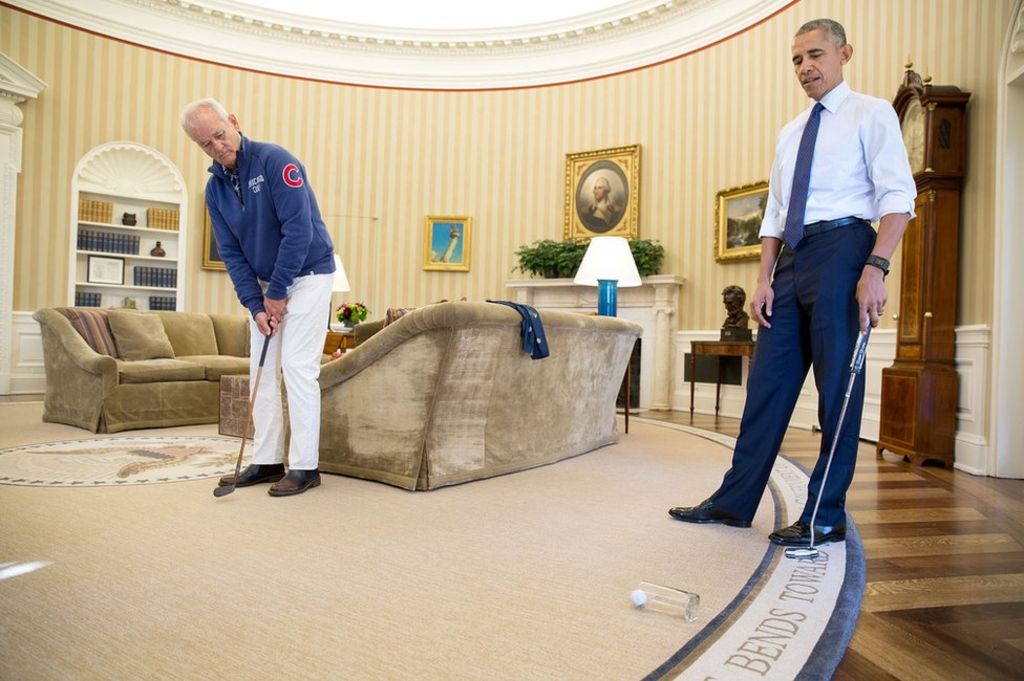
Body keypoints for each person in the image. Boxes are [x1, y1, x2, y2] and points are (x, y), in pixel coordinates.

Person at [669, 19, 916, 546]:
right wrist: (763, 279)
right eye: (797, 60)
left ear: (844, 53)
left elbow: (899, 199)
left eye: (816, 55)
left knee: (837, 394)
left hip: (846, 252)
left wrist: (876, 268)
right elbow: (776, 213)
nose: (806, 67)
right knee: (767, 388)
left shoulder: (871, 114)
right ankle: (735, 503)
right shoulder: (790, 132)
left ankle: (825, 515)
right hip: (791, 264)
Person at [181, 98, 336, 497]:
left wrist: (279, 293)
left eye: (219, 134)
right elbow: (232, 254)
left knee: (297, 366)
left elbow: (298, 231)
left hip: (310, 274)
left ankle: (305, 466)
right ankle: (267, 460)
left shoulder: (275, 160)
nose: (217, 147)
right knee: (262, 370)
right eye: (206, 144)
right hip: (268, 287)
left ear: (233, 122)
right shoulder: (215, 190)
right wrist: (256, 305)